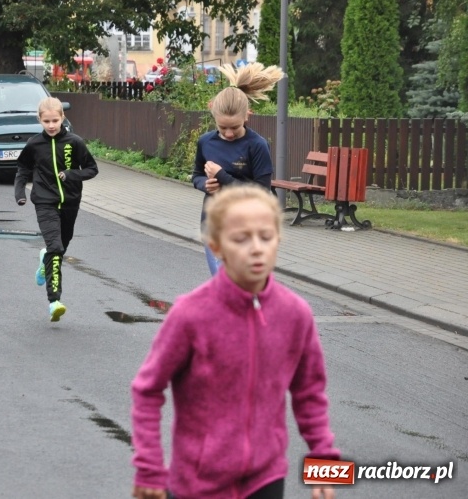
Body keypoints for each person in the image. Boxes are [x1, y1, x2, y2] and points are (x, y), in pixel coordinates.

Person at [131, 185, 339, 499]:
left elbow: (310, 393)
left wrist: (324, 466)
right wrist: (149, 468)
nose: (256, 248)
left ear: (278, 240)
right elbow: (147, 389)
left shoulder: (296, 314)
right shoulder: (190, 314)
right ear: (216, 246)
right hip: (197, 483)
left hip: (266, 479)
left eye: (265, 237)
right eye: (241, 239)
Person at [192, 62, 283, 277]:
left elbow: (261, 193)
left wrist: (222, 176)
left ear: (247, 116)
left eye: (234, 127)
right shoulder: (205, 142)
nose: (229, 133)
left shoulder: (257, 145)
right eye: (222, 128)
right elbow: (196, 175)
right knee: (224, 286)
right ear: (212, 113)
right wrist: (205, 184)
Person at [14, 97, 99, 322]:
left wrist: (72, 174)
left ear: (63, 118)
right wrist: (20, 194)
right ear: (40, 120)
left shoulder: (75, 142)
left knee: (59, 249)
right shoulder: (34, 144)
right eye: (46, 121)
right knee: (55, 246)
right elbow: (22, 169)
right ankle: (54, 301)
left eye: (55, 120)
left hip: (70, 202)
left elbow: (92, 169)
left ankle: (45, 260)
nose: (51, 125)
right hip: (44, 202)